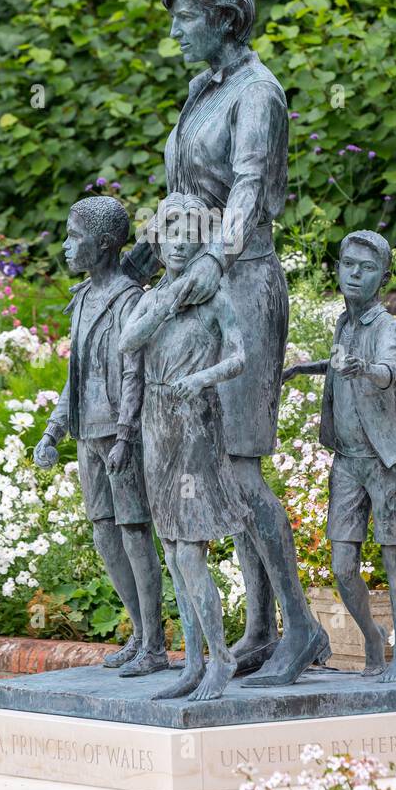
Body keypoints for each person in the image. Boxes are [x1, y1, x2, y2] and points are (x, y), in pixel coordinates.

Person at [122, 0, 328, 686]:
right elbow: (187, 192)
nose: (176, 30)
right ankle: (263, 631)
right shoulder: (200, 88)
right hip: (197, 282)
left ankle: (302, 627)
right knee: (220, 466)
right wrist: (148, 254)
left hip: (241, 286)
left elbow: (245, 192)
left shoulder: (258, 93)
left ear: (225, 19)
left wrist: (213, 258)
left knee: (239, 466)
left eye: (186, 17)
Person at [119, 192, 251, 701]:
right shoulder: (157, 297)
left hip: (195, 422)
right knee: (171, 550)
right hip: (157, 424)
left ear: (201, 241)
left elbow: (239, 357)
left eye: (188, 234)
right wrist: (171, 299)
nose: (177, 244)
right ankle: (192, 660)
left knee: (190, 548)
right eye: (169, 234)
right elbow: (129, 341)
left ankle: (221, 658)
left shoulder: (215, 295)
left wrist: (201, 380)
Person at [283, 230, 396, 683]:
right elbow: (339, 362)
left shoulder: (388, 327)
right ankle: (372, 636)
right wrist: (301, 368)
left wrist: (364, 368)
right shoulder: (344, 323)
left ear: (383, 277)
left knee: (394, 557)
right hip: (347, 460)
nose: (354, 274)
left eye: (365, 269)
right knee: (342, 565)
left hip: (386, 460)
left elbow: (388, 370)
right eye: (348, 265)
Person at [33, 196, 168, 677]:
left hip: (118, 434)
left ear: (105, 243)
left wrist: (126, 435)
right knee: (105, 534)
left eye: (74, 237)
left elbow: (136, 372)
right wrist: (53, 429)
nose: (66, 246)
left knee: (134, 532)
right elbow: (78, 373)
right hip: (86, 431)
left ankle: (155, 643)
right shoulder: (84, 298)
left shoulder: (128, 299)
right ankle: (139, 633)